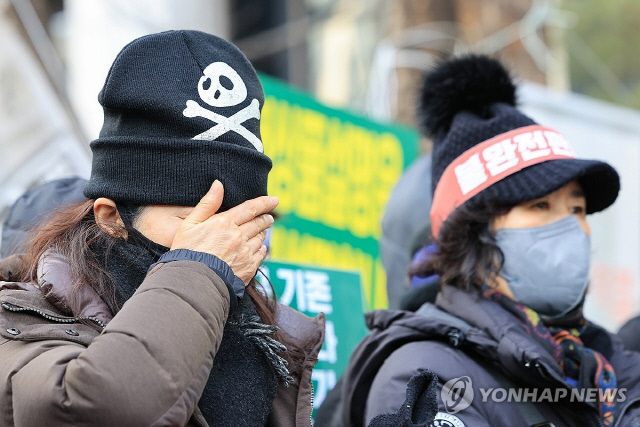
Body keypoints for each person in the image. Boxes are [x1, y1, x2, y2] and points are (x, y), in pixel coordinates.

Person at [0, 30, 325, 426]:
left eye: (239, 217)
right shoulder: (24, 317)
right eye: (192, 219)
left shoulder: (272, 339)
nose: (226, 237)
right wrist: (202, 269)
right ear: (112, 217)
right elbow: (94, 407)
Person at [333, 54, 640, 427]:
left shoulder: (602, 364)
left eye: (576, 209)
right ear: (472, 233)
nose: (570, 228)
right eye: (540, 205)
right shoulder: (422, 377)